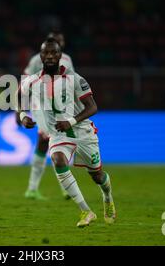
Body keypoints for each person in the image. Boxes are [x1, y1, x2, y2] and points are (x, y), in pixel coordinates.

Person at [17, 38, 116, 227]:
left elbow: (92, 107)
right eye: (46, 53)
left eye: (54, 53)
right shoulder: (33, 80)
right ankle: (86, 211)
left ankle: (107, 196)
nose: (50, 56)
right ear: (41, 55)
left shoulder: (75, 79)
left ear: (60, 55)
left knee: (97, 176)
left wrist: (70, 121)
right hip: (59, 134)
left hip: (83, 132)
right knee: (57, 159)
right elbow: (19, 94)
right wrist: (22, 115)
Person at [20, 32, 74, 200]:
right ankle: (61, 188)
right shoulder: (37, 59)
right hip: (40, 105)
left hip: (61, 107)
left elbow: (72, 82)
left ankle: (33, 189)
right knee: (51, 140)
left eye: (59, 40)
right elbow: (25, 81)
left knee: (50, 143)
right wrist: (20, 111)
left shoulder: (67, 60)